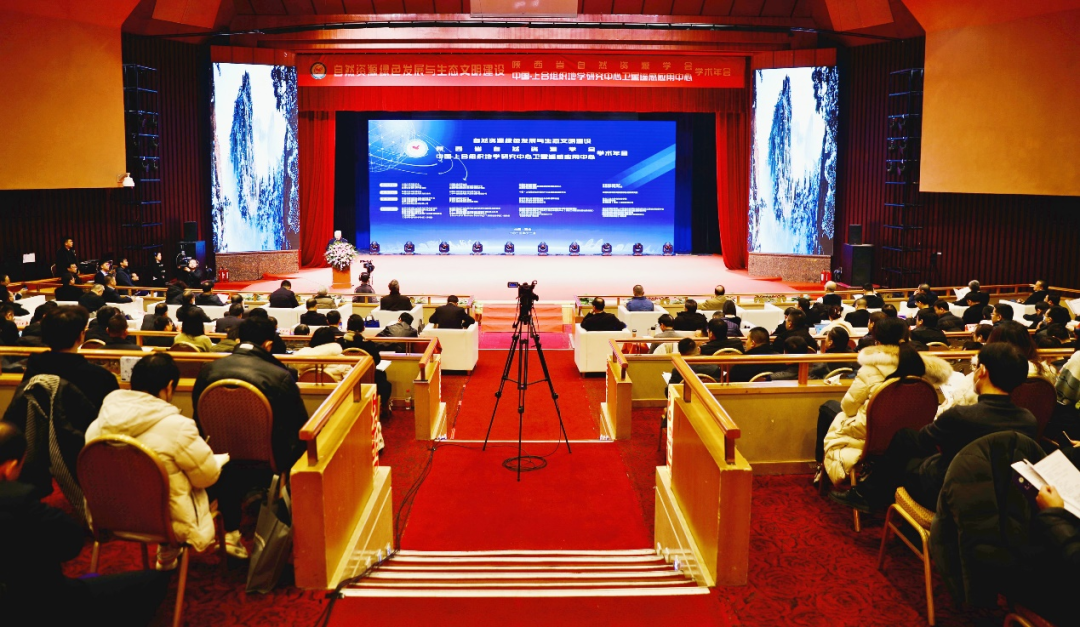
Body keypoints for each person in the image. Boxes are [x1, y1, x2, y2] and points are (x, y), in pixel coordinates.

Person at [830, 343, 1037, 511]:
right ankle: (870, 493)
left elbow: (923, 440)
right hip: (1003, 493)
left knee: (904, 440)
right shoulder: (1028, 420)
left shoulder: (962, 416)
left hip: (946, 489)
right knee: (908, 441)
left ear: (982, 371)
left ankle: (866, 496)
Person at [0, 423, 171, 626]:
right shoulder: (20, 502)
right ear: (9, 468)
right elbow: (71, 544)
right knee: (155, 583)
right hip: (40, 606)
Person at [87, 353, 232, 567]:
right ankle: (228, 537)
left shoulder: (96, 426)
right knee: (220, 472)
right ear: (170, 386)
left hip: (111, 516)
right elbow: (206, 477)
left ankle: (167, 551)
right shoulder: (178, 427)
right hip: (167, 521)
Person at [192, 318, 309, 533]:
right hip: (268, 461)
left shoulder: (208, 371)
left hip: (218, 457)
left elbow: (198, 421)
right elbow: (300, 425)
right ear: (268, 345)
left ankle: (230, 529)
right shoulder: (280, 376)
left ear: (238, 340)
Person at [818, 317, 952, 486]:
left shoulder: (871, 368)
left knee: (828, 407)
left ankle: (820, 468)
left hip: (873, 434)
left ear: (878, 342)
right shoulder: (922, 367)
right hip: (912, 433)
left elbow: (848, 407)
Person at [340, 315, 392, 415]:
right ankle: (381, 407)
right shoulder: (368, 345)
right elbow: (377, 361)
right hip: (367, 377)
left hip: (345, 377)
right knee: (384, 379)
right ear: (363, 328)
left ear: (347, 328)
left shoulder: (340, 342)